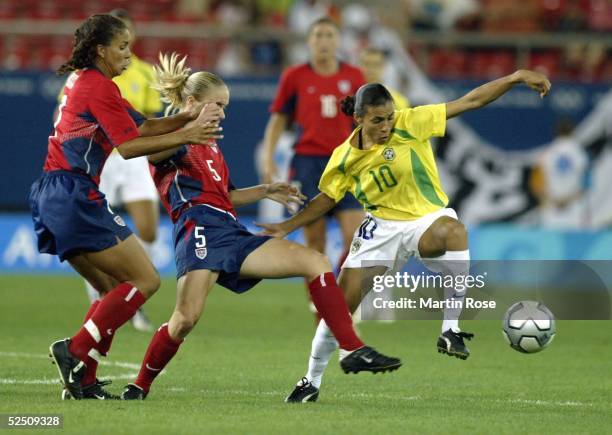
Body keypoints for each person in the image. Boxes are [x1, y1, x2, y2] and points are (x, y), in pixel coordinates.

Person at [121, 53, 402, 400]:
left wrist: (266, 190)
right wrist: (187, 127)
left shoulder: (209, 145)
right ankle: (139, 385)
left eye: (225, 106)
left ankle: (352, 348)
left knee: (315, 262)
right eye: (217, 105)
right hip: (199, 230)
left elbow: (226, 196)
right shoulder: (174, 138)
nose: (223, 113)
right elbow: (141, 148)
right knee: (185, 318)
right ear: (192, 103)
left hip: (231, 230)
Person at [259, 70, 552, 402]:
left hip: (426, 220)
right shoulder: (343, 158)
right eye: (377, 121)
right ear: (358, 118)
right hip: (380, 231)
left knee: (454, 232)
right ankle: (310, 381)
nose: (386, 126)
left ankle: (450, 330)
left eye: (389, 118)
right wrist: (287, 226)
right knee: (339, 308)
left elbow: (471, 101)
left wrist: (514, 78)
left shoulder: (412, 122)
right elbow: (327, 199)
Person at [30, 14, 221, 400]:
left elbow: (141, 127)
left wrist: (183, 117)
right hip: (73, 192)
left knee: (111, 290)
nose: (129, 56)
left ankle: (82, 380)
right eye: (122, 47)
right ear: (101, 49)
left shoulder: (88, 83)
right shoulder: (98, 87)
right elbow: (129, 147)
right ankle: (75, 351)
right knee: (146, 280)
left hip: (51, 192)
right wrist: (190, 133)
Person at [260, 16, 366, 312]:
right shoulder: (294, 76)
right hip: (308, 163)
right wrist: (268, 158)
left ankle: (343, 297)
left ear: (338, 40)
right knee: (315, 240)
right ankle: (320, 303)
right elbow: (278, 120)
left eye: (329, 35)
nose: (323, 40)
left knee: (356, 239)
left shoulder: (355, 76)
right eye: (318, 35)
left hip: (346, 164)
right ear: (309, 41)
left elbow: (366, 123)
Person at [75, 8, 162, 332]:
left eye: (127, 37)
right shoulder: (89, 78)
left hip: (134, 154)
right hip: (104, 157)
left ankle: (129, 298)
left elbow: (148, 122)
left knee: (149, 228)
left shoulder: (144, 72)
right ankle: (104, 302)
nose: (124, 47)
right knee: (95, 235)